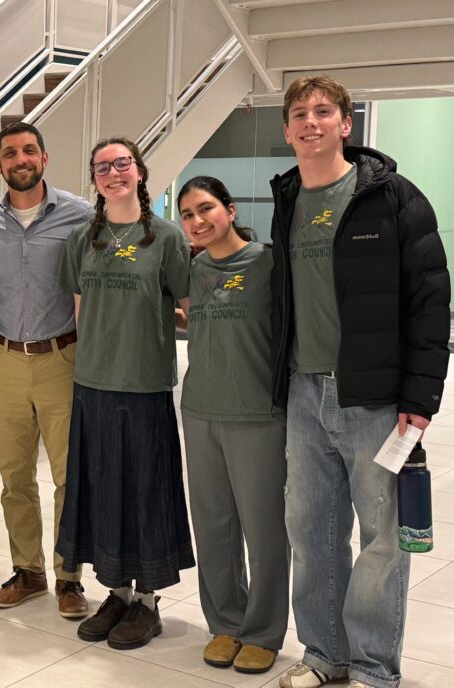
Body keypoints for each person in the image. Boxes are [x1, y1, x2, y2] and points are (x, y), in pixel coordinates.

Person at [270, 76, 449, 688]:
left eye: (324, 112)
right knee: (312, 534)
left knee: (381, 541)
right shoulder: (288, 197)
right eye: (299, 113)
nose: (310, 122)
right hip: (303, 391)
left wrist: (422, 397)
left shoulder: (393, 197)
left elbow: (430, 303)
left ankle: (374, 669)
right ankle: (325, 656)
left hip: (375, 399)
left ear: (348, 124)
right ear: (288, 130)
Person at [56, 137, 194, 649]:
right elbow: (78, 307)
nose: (113, 173)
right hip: (93, 382)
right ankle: (115, 590)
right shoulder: (81, 241)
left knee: (145, 491)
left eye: (122, 164)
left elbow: (185, 305)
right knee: (103, 490)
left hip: (144, 384)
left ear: (138, 171)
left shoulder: (167, 238)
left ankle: (148, 601)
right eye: (102, 167)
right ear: (94, 180)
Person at [0, 122, 92, 618]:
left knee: (69, 476)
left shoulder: (80, 215)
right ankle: (29, 572)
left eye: (28, 151)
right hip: (3, 360)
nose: (19, 159)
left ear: (44, 159)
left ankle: (70, 577)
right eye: (9, 153)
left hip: (61, 359)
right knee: (14, 477)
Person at [178, 176, 289, 674]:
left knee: (263, 530)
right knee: (214, 526)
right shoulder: (192, 269)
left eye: (206, 209)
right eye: (187, 215)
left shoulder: (268, 263)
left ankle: (263, 631)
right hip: (200, 410)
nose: (198, 221)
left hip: (256, 415)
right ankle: (224, 623)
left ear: (230, 208)